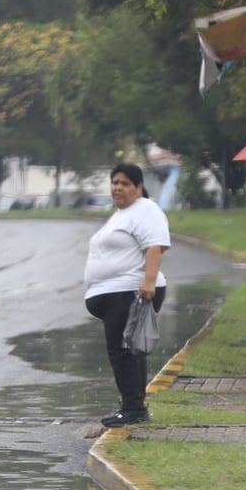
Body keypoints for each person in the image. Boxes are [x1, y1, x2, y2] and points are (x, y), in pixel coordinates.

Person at [84, 163, 170, 427]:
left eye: (124, 183)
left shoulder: (146, 209)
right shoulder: (122, 214)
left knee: (122, 352)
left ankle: (134, 409)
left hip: (131, 290)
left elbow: (154, 246)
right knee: (130, 351)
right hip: (116, 293)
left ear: (138, 187)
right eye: (114, 183)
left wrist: (149, 281)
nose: (117, 188)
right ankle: (133, 405)